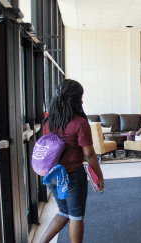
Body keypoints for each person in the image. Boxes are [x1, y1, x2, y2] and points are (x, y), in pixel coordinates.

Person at [40, 79, 104, 243]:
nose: (82, 100)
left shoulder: (48, 121)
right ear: (74, 100)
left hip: (52, 175)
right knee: (76, 216)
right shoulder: (79, 123)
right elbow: (89, 154)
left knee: (63, 212)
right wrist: (99, 176)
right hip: (72, 176)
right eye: (80, 97)